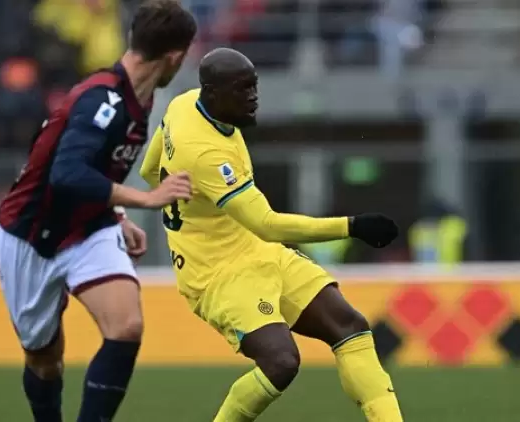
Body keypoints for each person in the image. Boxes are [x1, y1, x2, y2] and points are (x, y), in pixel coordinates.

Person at [140, 47, 403, 422]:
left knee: (350, 326)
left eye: (254, 86)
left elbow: (151, 170)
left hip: (258, 251)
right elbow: (267, 223)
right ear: (213, 93)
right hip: (219, 273)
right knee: (281, 362)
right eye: (242, 89)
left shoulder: (182, 105)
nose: (253, 97)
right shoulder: (208, 155)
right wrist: (352, 226)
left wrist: (180, 208)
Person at [0, 2, 196, 421]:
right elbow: (66, 174)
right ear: (175, 56)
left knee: (126, 326)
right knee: (44, 360)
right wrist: (145, 199)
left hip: (88, 228)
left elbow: (93, 167)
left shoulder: (140, 98)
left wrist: (117, 215)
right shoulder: (102, 99)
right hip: (31, 234)